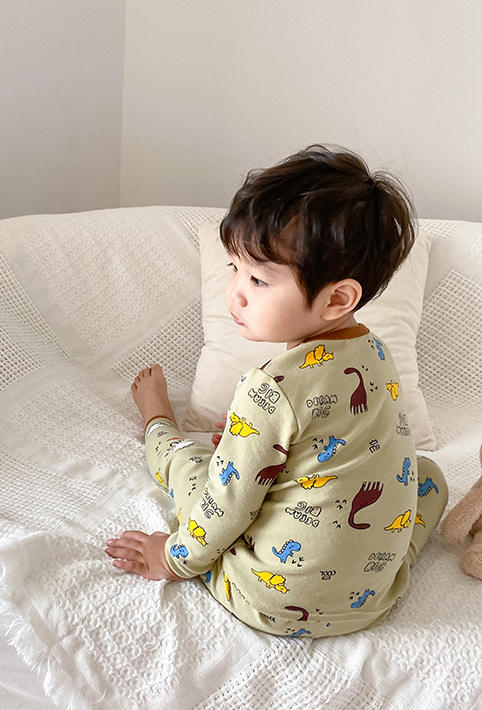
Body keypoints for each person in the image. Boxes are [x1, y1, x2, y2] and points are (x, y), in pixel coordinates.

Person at [105, 145, 448, 637]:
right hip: (373, 598)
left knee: (195, 466)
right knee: (429, 476)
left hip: (271, 599)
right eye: (234, 268)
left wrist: (172, 558)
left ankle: (156, 419)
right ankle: (387, 565)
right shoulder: (376, 353)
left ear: (337, 298)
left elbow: (227, 506)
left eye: (259, 280)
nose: (235, 293)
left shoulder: (268, 388)